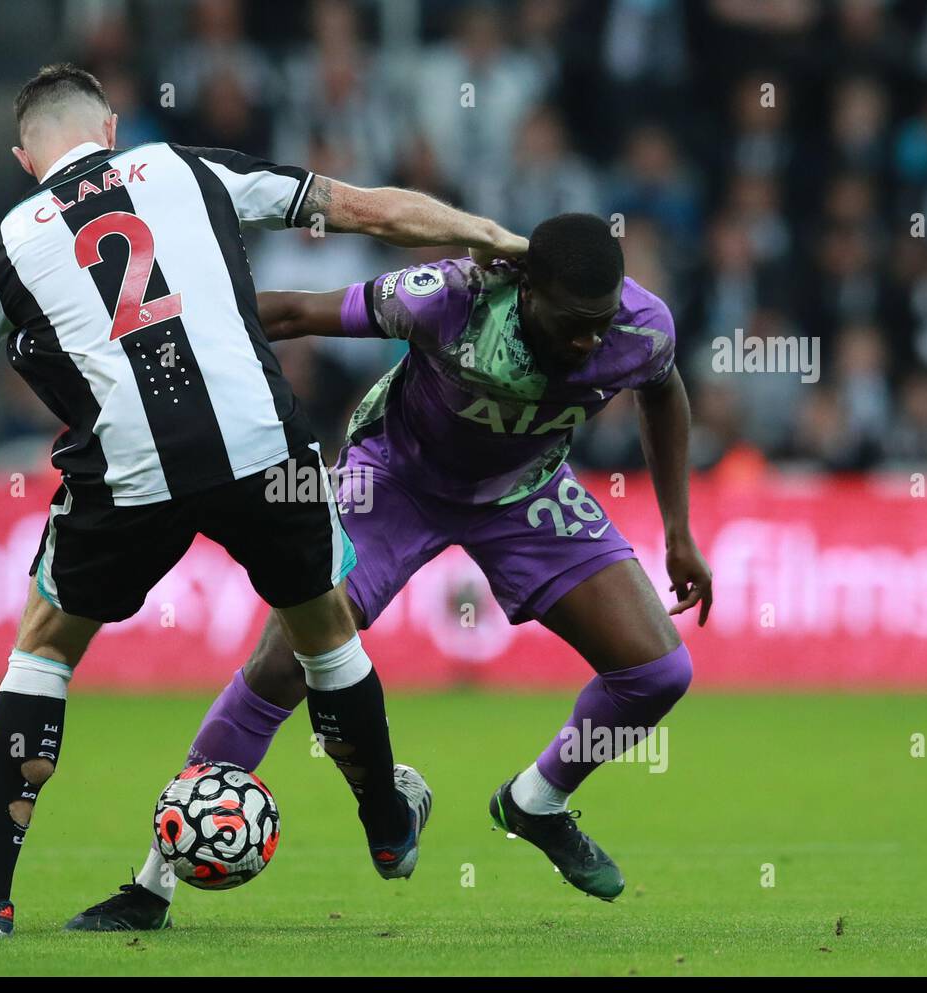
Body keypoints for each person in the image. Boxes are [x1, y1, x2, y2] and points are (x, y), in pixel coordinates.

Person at [0, 63, 528, 939]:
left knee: (42, 652)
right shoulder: (188, 169)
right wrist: (484, 231)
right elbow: (371, 210)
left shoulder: (7, 247)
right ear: (112, 129)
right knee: (324, 631)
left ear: (22, 157)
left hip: (127, 473)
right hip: (266, 449)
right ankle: (387, 825)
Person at [75, 213, 713, 933]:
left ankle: (537, 800)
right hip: (393, 483)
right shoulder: (447, 297)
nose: (591, 341)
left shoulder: (641, 327)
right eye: (575, 322)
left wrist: (678, 530)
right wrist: (161, 328)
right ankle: (154, 884)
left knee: (658, 672)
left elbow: (663, 392)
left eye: (601, 322)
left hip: (522, 489)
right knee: (288, 656)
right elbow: (295, 311)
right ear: (528, 288)